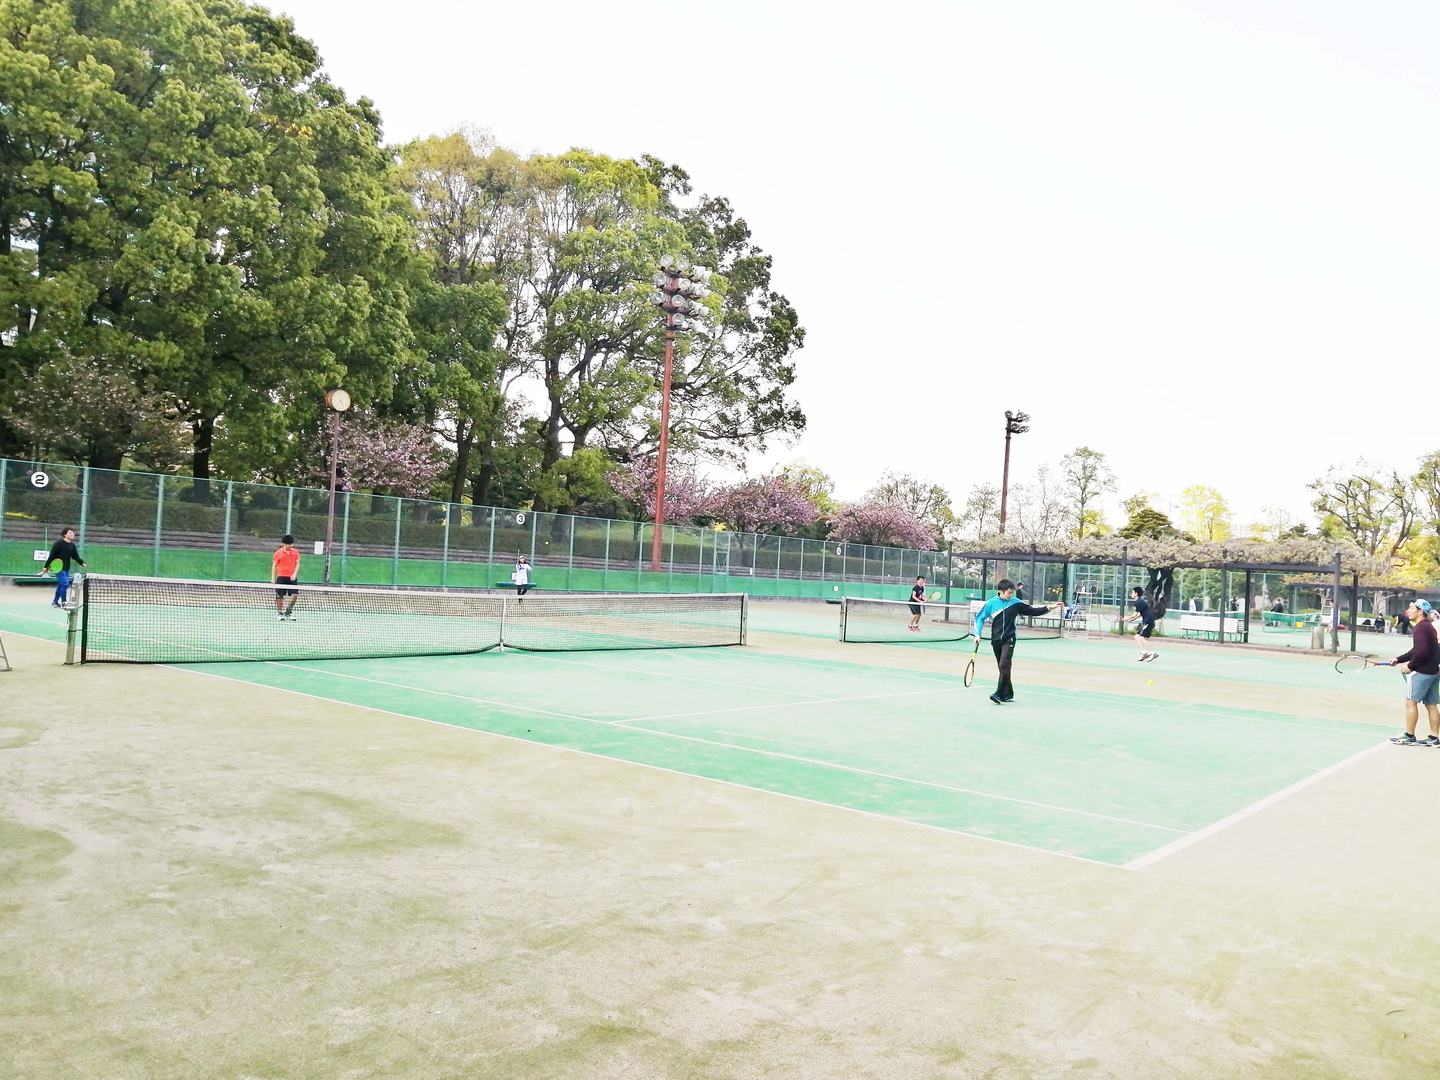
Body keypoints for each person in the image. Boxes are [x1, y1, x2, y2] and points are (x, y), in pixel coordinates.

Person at [972, 578, 1064, 705]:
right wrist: (977, 634)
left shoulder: (1015, 603)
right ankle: (1007, 693)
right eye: (1009, 593)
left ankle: (998, 693)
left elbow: (1033, 611)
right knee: (1002, 667)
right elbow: (980, 618)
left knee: (1004, 665)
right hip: (996, 640)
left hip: (1009, 639)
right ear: (1002, 591)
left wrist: (1049, 607)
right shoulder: (991, 604)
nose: (1011, 595)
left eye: (1012, 593)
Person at [1389, 599, 1440, 747]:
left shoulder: (1421, 627)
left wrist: (1410, 666)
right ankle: (1434, 738)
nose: (1408, 611)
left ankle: (1409, 736)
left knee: (1410, 702)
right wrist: (1399, 659)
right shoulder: (1428, 626)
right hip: (1433, 671)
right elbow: (1418, 650)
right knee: (1431, 704)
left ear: (1420, 611)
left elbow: (1421, 651)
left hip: (1422, 672)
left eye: (1411, 608)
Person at [43, 527, 86, 609]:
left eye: (73, 533)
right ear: (65, 534)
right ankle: (64, 602)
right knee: (65, 584)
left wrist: (81, 562)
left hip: (66, 568)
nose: (72, 534)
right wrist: (46, 566)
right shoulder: (58, 544)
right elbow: (52, 556)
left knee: (61, 585)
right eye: (70, 533)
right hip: (58, 568)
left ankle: (55, 602)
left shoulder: (72, 545)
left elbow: (75, 556)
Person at [1123, 586, 1159, 662]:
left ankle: (1153, 653)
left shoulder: (1139, 602)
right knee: (1137, 636)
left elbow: (1135, 615)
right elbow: (1139, 614)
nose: (1131, 594)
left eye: (1132, 592)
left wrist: (1127, 618)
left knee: (1142, 638)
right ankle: (1144, 653)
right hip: (1147, 621)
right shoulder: (1140, 602)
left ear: (1136, 593)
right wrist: (1131, 619)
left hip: (1148, 622)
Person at [271, 534, 300, 620]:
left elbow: (297, 563)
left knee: (294, 595)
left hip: (292, 578)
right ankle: (280, 613)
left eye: (291, 544)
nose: (290, 546)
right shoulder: (278, 553)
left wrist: (294, 574)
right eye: (288, 544)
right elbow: (274, 565)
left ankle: (288, 611)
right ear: (284, 544)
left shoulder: (295, 552)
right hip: (281, 577)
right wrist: (273, 577)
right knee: (280, 595)